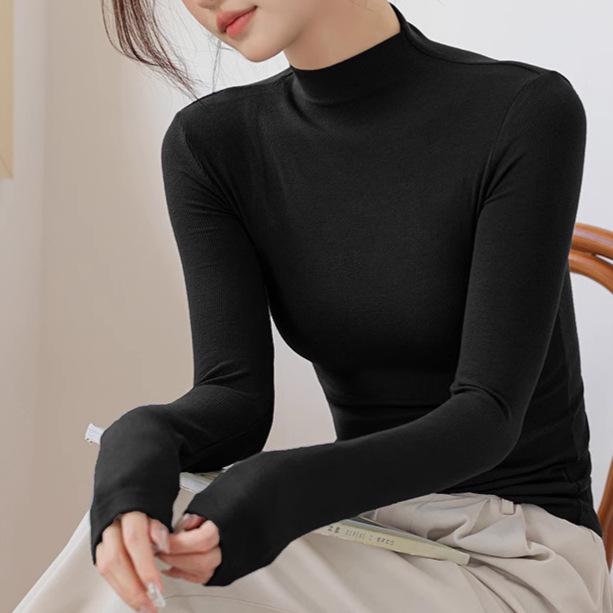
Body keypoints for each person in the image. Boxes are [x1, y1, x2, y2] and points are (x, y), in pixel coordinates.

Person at [14, 1, 613, 612]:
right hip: (366, 531)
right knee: (147, 543)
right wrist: (137, 444)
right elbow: (234, 400)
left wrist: (279, 492)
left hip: (516, 556)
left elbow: (488, 417)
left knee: (156, 583)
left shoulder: (522, 110)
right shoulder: (212, 146)